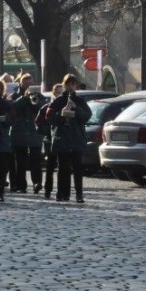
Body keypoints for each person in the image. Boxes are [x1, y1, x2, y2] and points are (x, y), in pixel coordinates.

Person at [47, 74, 91, 203]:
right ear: (64, 85)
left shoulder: (80, 101)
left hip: (77, 139)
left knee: (78, 168)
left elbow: (87, 117)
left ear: (76, 86)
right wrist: (62, 112)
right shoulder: (58, 101)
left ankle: (79, 194)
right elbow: (49, 118)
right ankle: (62, 193)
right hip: (62, 139)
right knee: (63, 169)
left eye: (73, 84)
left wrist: (76, 108)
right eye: (68, 84)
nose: (70, 87)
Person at [10, 74, 45, 194]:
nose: (28, 86)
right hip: (19, 132)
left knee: (36, 161)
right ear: (21, 84)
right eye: (25, 84)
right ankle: (21, 185)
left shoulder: (40, 96)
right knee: (20, 162)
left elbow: (42, 110)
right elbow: (12, 108)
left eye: (30, 84)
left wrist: (36, 99)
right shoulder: (15, 96)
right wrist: (24, 98)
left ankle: (37, 183)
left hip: (34, 133)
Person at [37, 83, 64, 199]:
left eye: (61, 93)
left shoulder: (65, 107)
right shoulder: (46, 107)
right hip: (50, 141)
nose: (59, 95)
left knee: (62, 167)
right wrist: (47, 132)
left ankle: (61, 191)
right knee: (50, 167)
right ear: (53, 93)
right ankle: (48, 190)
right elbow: (38, 123)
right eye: (57, 92)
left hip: (62, 140)